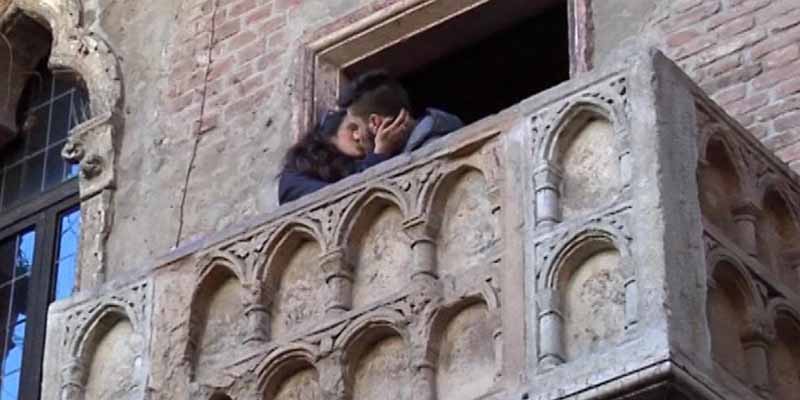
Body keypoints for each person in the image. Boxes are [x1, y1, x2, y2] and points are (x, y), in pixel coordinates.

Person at [278, 108, 412, 204]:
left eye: (362, 131)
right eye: (352, 129)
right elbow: (338, 198)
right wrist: (379, 155)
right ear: (330, 136)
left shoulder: (353, 165)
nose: (358, 136)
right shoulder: (294, 174)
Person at [338, 69, 464, 153]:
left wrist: (379, 159)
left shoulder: (432, 149)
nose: (355, 136)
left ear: (375, 122)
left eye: (355, 127)